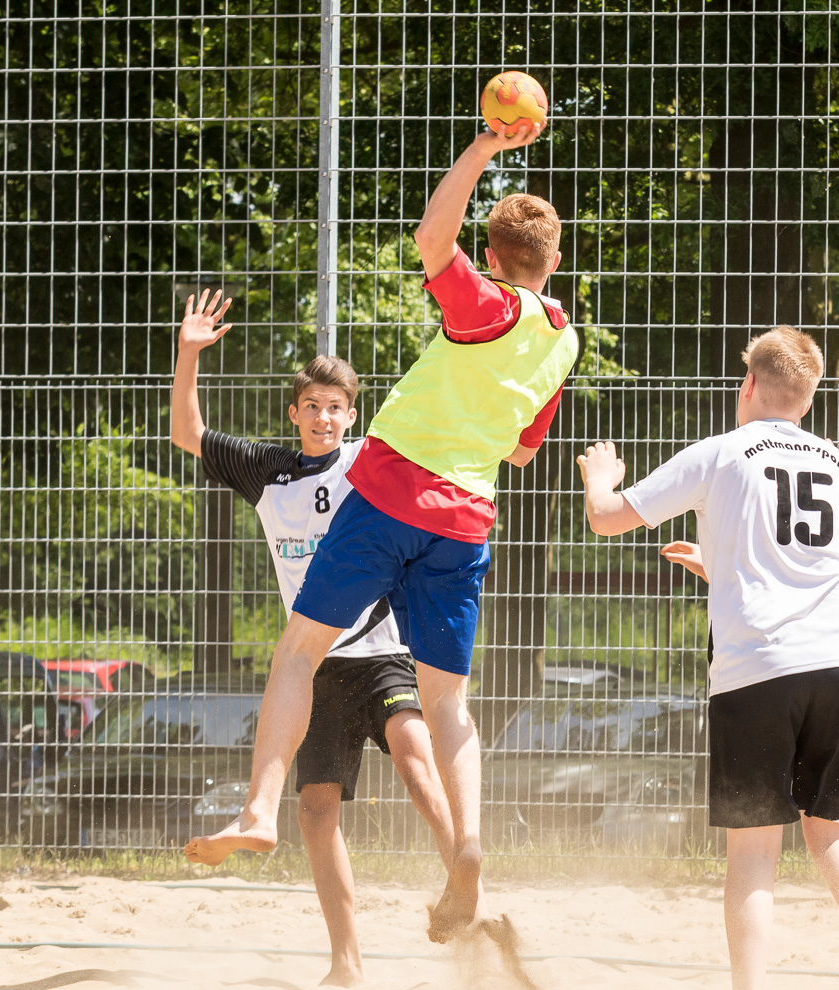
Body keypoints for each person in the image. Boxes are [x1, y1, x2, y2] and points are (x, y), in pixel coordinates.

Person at [185, 121, 577, 948]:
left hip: (395, 493)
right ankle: (467, 843)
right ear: (553, 263)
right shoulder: (561, 337)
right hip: (468, 519)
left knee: (295, 650)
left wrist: (484, 146)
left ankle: (259, 806)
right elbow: (523, 447)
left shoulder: (490, 306)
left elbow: (434, 237)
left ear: (498, 260)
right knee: (451, 704)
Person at [577, 327, 839, 990]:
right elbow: (802, 559)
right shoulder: (835, 461)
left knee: (753, 851)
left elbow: (607, 519)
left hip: (759, 670)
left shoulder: (721, 452)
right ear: (808, 397)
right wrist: (723, 571)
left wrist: (599, 474)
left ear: (749, 385)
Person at [170, 289, 457, 985]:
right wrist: (188, 354)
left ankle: (464, 877)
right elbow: (186, 433)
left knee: (418, 762)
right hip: (316, 666)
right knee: (316, 808)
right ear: (294, 413)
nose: (324, 416)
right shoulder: (269, 470)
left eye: (336, 406)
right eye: (313, 406)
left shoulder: (372, 462)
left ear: (351, 415)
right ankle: (346, 962)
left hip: (382, 650)